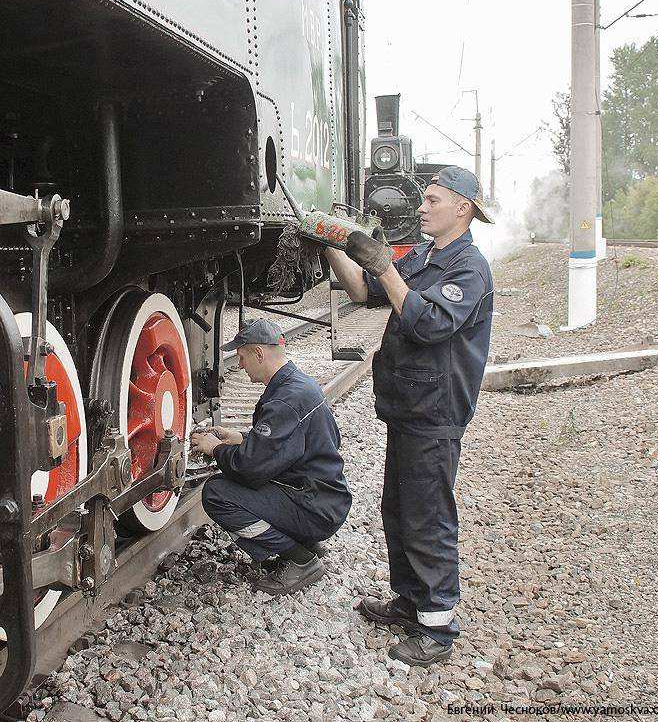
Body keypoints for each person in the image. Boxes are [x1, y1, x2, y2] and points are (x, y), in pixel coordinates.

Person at [326, 165, 494, 667]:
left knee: (428, 517)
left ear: (462, 208)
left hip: (436, 411)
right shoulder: (425, 256)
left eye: (433, 201)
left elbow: (426, 323)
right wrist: (330, 242)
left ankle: (438, 627)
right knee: (398, 509)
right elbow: (363, 291)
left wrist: (385, 267)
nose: (422, 206)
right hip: (407, 407)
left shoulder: (469, 268)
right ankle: (409, 601)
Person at [191, 318, 351, 595]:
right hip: (324, 497)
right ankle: (305, 542)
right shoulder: (297, 385)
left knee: (217, 493)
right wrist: (239, 437)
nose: (240, 365)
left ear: (259, 354)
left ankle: (300, 560)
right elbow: (286, 444)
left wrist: (214, 449)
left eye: (242, 357)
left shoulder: (283, 402)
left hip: (314, 507)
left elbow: (249, 468)